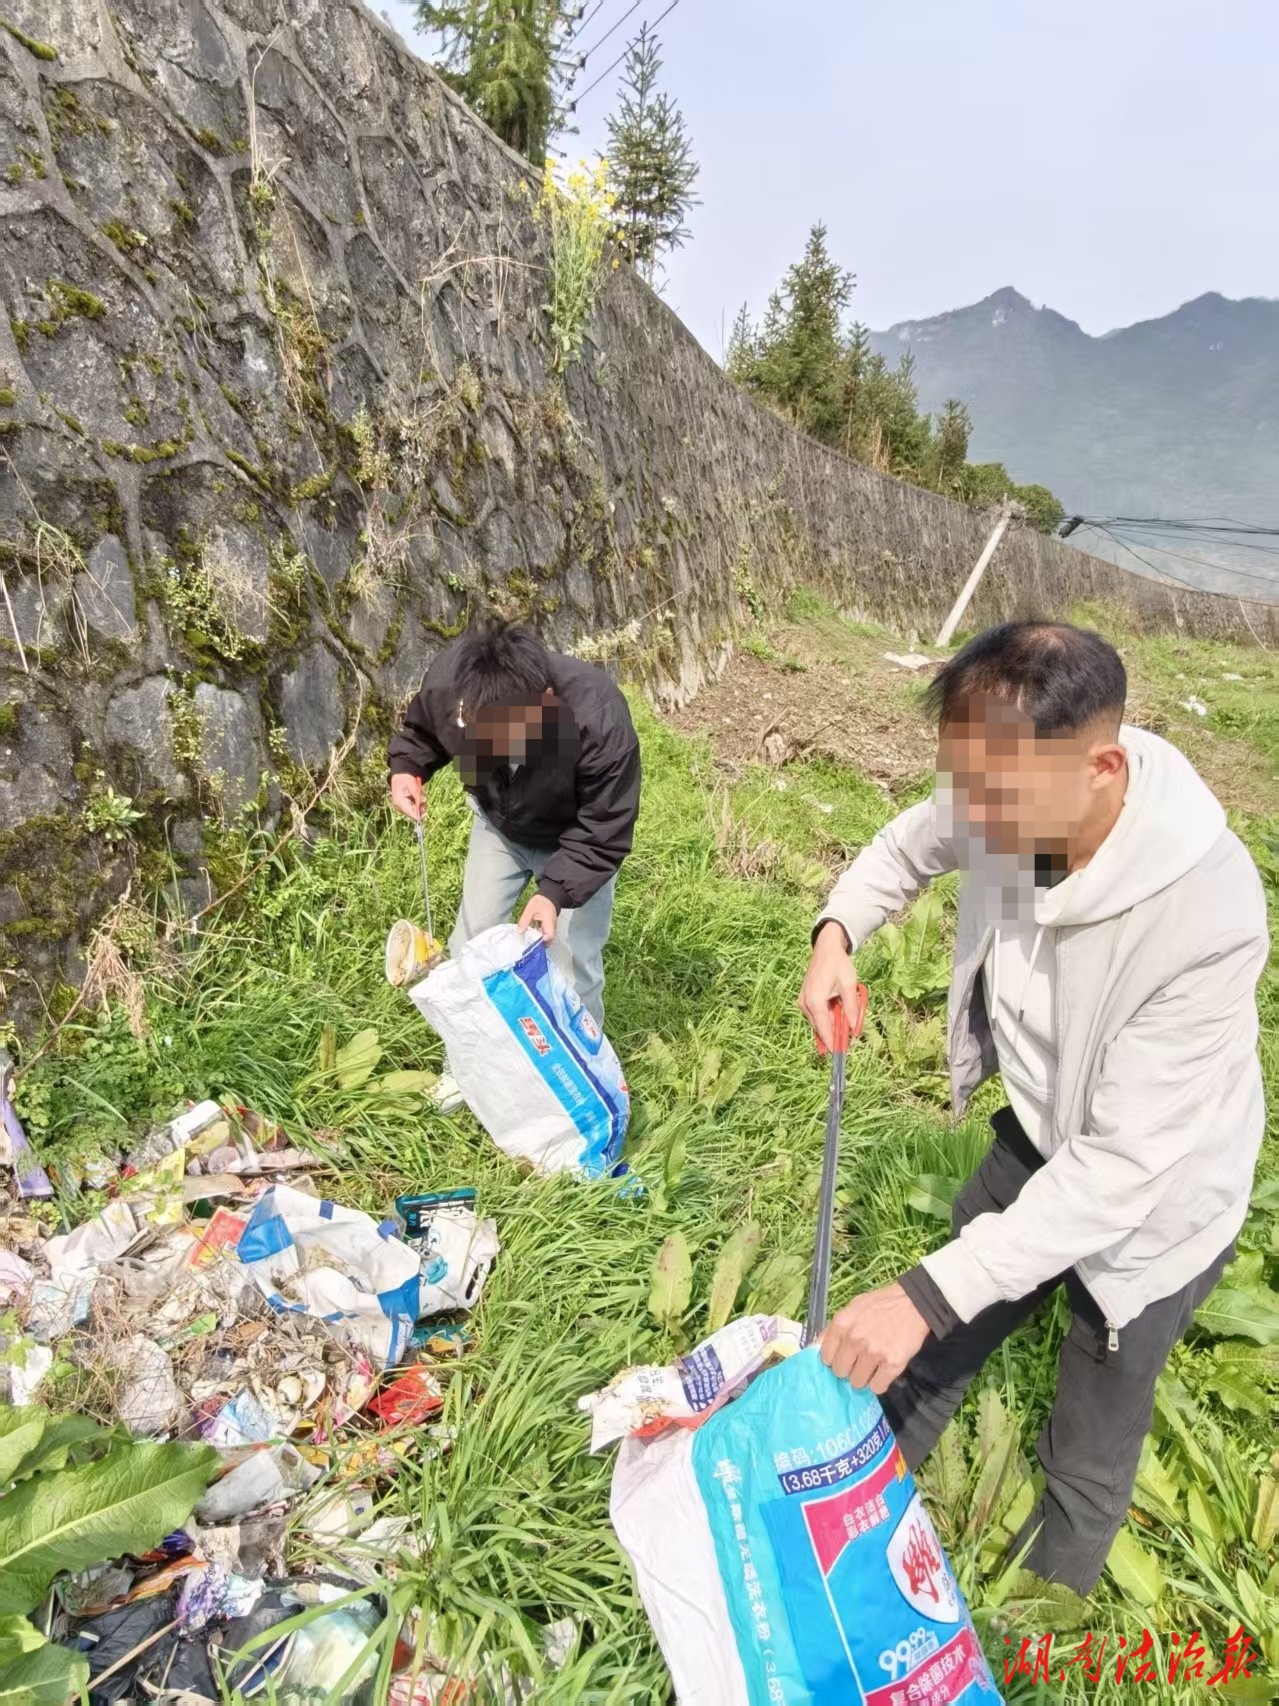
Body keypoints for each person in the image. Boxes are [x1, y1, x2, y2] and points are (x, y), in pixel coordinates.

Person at [798, 620, 1268, 1594]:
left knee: (1086, 1442)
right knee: (933, 1346)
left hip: (1152, 1202)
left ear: (1101, 768)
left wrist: (921, 1292)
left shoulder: (1207, 913)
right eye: (959, 787)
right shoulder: (1001, 785)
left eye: (991, 800)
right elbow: (907, 844)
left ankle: (1029, 1630)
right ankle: (841, 1537)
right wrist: (835, 934)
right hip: (1038, 1125)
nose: (968, 820)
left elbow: (1120, 1170)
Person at [388, 622, 641, 1102]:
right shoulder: (452, 682)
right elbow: (423, 729)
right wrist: (407, 768)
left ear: (544, 701)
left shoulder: (597, 716)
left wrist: (554, 893)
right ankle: (466, 1070)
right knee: (470, 943)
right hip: (499, 826)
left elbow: (605, 826)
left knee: (572, 966)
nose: (497, 745)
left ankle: (580, 1085)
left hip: (573, 840)